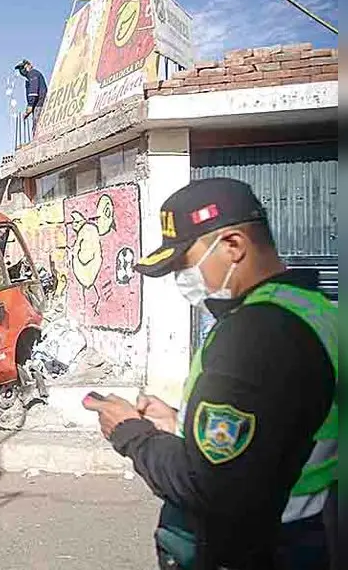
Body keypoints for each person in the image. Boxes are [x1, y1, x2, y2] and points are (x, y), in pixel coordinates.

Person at [83, 178, 337, 570]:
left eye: (185, 263)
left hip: (263, 546)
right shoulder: (313, 308)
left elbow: (208, 485)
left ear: (234, 246)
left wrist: (130, 432)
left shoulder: (257, 334)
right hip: (310, 532)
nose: (181, 278)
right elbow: (276, 426)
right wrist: (181, 422)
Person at [14, 59, 47, 129]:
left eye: (22, 68)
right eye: (20, 69)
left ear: (28, 66)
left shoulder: (32, 73)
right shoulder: (31, 76)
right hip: (38, 105)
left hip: (39, 104)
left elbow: (33, 91)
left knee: (37, 128)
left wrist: (30, 106)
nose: (21, 71)